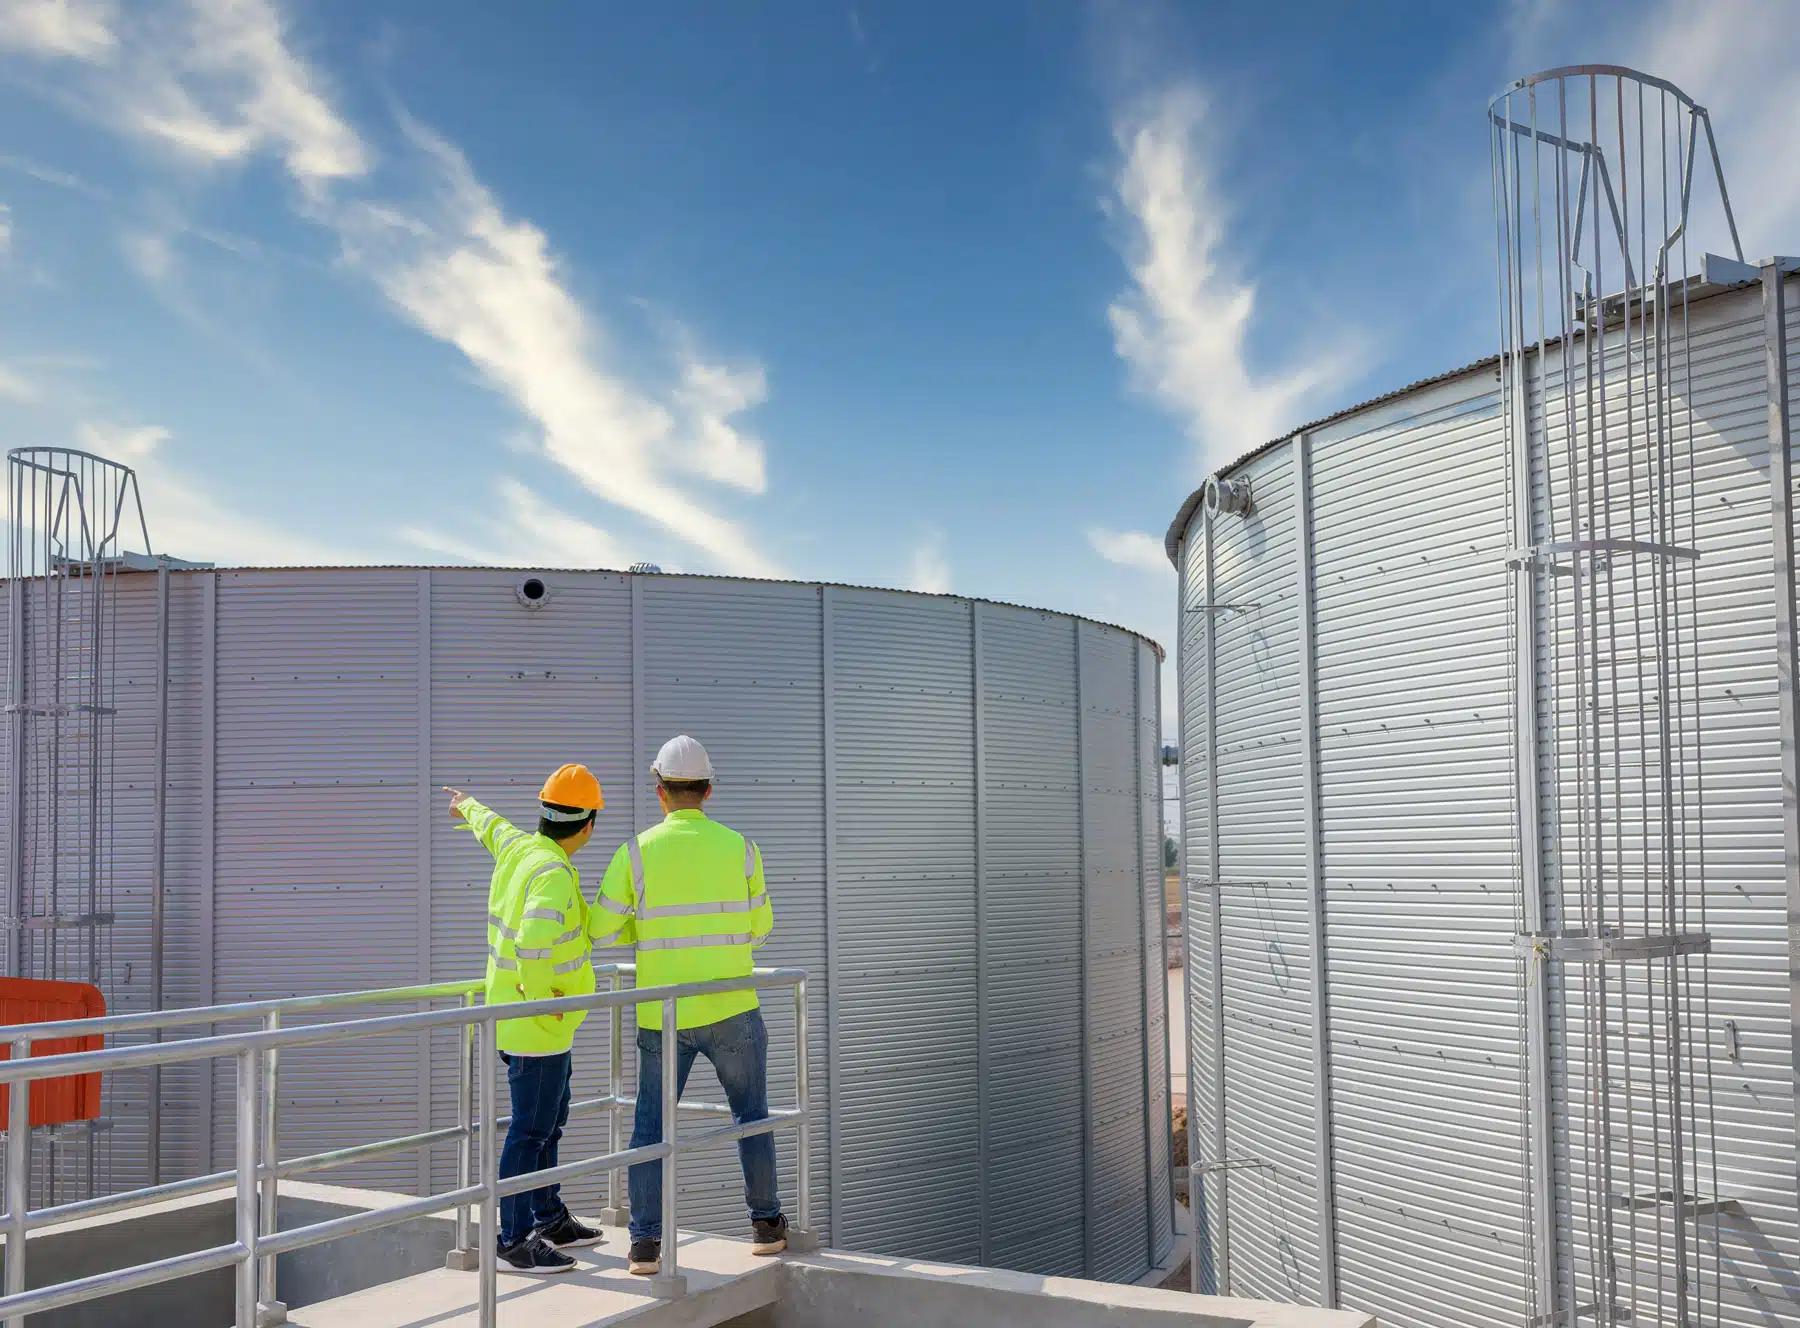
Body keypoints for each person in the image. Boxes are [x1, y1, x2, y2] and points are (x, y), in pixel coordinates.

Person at [588, 735, 783, 1276]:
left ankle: (645, 1245)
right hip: (733, 1009)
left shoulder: (635, 852)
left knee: (650, 1129)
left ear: (660, 792)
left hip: (663, 1015)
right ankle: (767, 1227)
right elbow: (761, 929)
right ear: (708, 790)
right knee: (751, 1118)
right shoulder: (741, 849)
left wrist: (644, 929)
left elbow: (600, 930)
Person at [446, 764, 608, 1275]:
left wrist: (467, 806)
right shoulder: (553, 873)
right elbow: (533, 940)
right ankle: (513, 1241)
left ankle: (549, 1217)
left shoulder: (521, 848)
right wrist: (541, 999)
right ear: (588, 824)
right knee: (531, 1131)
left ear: (545, 813)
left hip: (526, 1023)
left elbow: (492, 827)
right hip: (536, 1027)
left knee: (549, 1124)